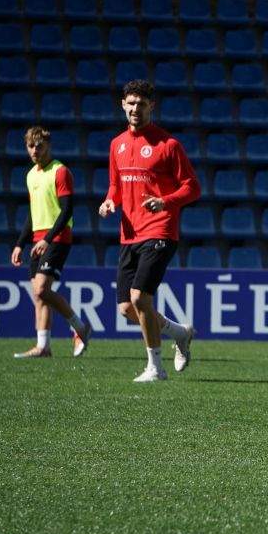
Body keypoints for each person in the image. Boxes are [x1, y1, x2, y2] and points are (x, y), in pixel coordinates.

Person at [98, 79, 201, 382]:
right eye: (130, 103)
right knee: (126, 308)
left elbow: (193, 187)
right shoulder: (116, 145)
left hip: (160, 230)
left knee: (141, 298)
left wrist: (165, 201)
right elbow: (115, 186)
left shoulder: (168, 145)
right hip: (129, 233)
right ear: (123, 105)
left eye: (141, 104)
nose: (135, 109)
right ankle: (179, 333)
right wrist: (109, 201)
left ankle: (155, 367)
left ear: (151, 106)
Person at [11, 126, 92, 358]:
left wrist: (47, 239)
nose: (35, 150)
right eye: (30, 146)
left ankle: (80, 328)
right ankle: (43, 346)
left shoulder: (60, 171)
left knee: (41, 289)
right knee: (39, 295)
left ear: (48, 146)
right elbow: (33, 214)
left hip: (57, 237)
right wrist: (20, 243)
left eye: (39, 145)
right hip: (38, 239)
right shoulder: (31, 175)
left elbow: (66, 211)